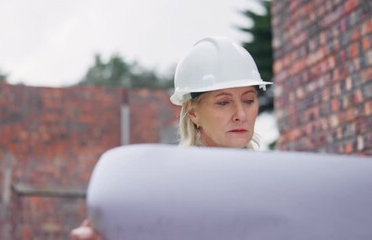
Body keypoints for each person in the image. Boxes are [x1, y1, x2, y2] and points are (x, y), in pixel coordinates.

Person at [70, 36, 272, 240]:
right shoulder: (163, 186)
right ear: (193, 112)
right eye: (223, 103)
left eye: (248, 100)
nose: (241, 114)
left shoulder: (272, 183)